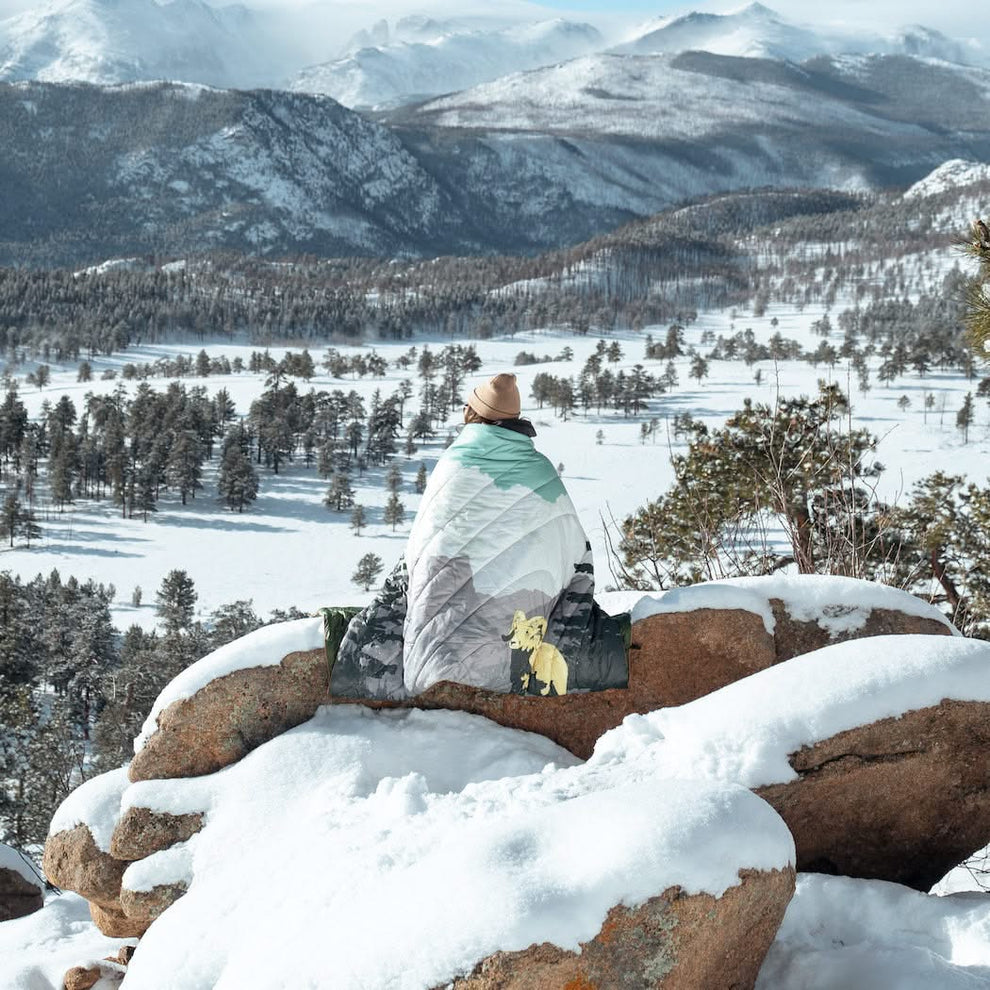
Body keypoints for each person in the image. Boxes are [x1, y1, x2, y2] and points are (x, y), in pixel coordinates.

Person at [329, 373, 628, 701]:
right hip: (514, 668)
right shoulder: (539, 470)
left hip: (428, 673)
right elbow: (575, 553)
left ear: (471, 413)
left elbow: (423, 550)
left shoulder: (454, 464)